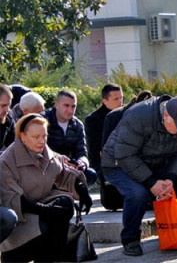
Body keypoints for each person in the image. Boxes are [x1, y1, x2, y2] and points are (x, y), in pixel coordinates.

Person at [102, 95, 177, 256]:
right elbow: (125, 155)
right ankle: (130, 239)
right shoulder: (138, 115)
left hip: (154, 164)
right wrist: (151, 183)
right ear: (166, 116)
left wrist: (171, 179)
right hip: (117, 163)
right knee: (137, 193)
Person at [0, 114, 92, 261]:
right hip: (21, 220)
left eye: (44, 136)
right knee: (48, 221)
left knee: (65, 204)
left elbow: (65, 173)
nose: (41, 141)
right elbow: (13, 199)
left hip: (41, 207)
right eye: (36, 136)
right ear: (22, 137)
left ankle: (51, 258)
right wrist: (46, 210)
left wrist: (82, 190)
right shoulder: (6, 161)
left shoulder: (46, 152)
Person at [44, 90, 97, 186]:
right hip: (46, 165)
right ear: (56, 104)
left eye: (73, 106)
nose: (70, 110)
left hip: (69, 167)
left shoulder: (77, 125)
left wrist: (82, 163)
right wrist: (59, 160)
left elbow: (82, 151)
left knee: (90, 174)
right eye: (66, 105)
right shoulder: (43, 120)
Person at [84, 83, 123, 182]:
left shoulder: (126, 114)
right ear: (104, 101)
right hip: (103, 164)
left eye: (121, 98)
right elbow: (94, 150)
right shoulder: (93, 120)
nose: (120, 102)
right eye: (116, 99)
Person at [0, 84, 14, 150]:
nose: (7, 110)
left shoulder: (8, 119)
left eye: (9, 105)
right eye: (3, 106)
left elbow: (14, 144)